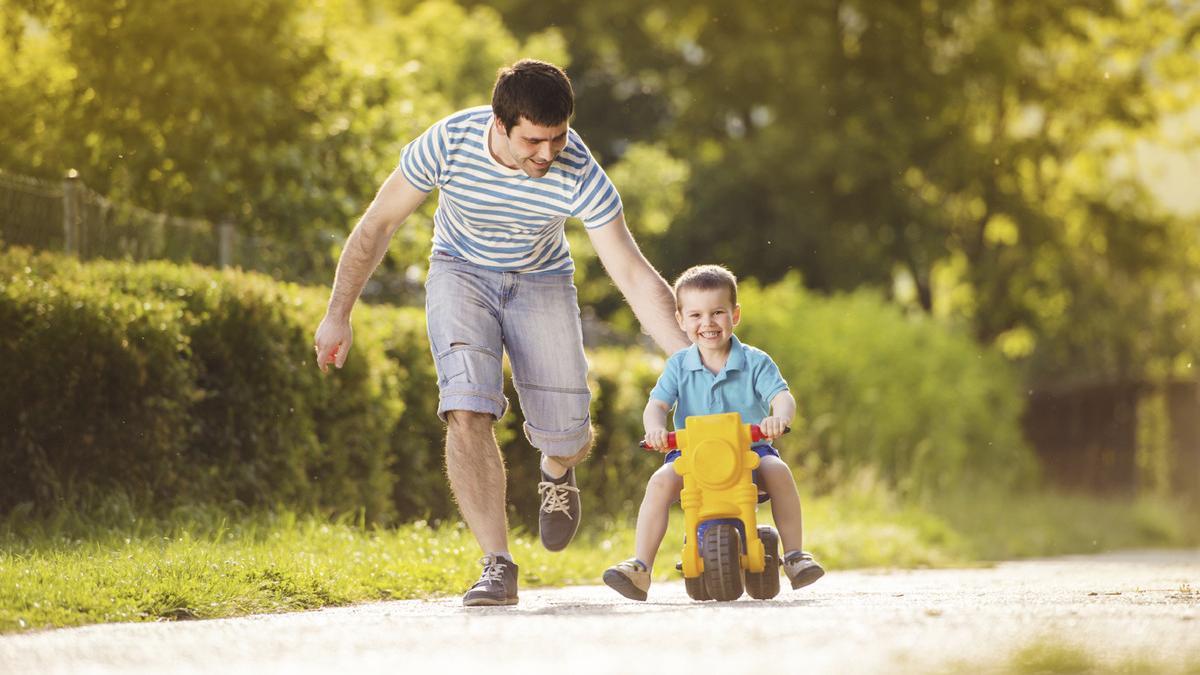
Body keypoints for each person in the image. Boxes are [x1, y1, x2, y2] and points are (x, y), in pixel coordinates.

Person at [312, 59, 688, 607]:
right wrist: (337, 312)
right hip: (459, 273)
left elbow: (631, 271)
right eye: (534, 141)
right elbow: (378, 224)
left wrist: (689, 359)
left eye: (557, 138)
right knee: (466, 406)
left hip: (543, 280)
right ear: (500, 122)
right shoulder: (448, 142)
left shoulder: (578, 168)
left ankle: (556, 469)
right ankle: (497, 564)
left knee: (570, 435)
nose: (548, 153)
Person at [602, 264, 825, 601]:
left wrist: (778, 418)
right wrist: (655, 428)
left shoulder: (755, 361)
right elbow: (657, 405)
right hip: (691, 456)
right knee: (660, 481)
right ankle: (641, 567)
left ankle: (794, 555)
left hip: (750, 453)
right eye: (695, 315)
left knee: (778, 471)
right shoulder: (679, 365)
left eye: (717, 312)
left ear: (734, 315)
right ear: (680, 320)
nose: (707, 323)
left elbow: (782, 397)